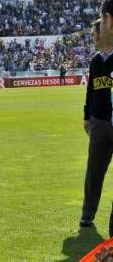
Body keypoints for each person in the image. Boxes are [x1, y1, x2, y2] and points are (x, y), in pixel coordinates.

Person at [80, 18, 113, 230]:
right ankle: (87, 214)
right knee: (94, 171)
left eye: (95, 32)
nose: (93, 37)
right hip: (99, 124)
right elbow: (90, 90)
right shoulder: (95, 61)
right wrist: (87, 116)